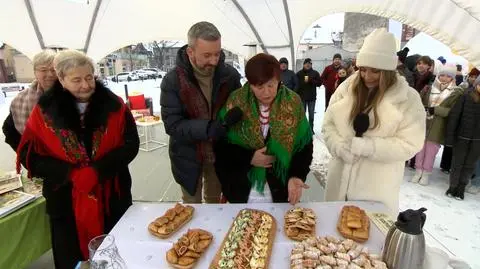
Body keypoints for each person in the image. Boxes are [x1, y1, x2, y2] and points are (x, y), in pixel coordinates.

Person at [16, 50, 139, 268]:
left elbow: (130, 145)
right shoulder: (44, 112)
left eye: (89, 77)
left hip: (111, 193)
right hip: (64, 198)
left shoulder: (115, 105)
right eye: (77, 80)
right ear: (62, 79)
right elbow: (30, 157)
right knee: (70, 257)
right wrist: (70, 173)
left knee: (116, 252)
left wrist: (98, 170)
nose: (85, 85)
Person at [322, 28, 425, 217]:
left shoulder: (408, 99)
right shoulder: (347, 88)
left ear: (388, 71)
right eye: (363, 69)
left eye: (375, 71)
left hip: (376, 189)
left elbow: (411, 143)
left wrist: (368, 147)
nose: (367, 76)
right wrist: (338, 146)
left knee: (369, 240)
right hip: (338, 186)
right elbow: (328, 125)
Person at [215, 53, 313, 204]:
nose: (266, 92)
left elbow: (304, 146)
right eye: (259, 86)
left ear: (279, 81)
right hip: (243, 190)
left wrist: (296, 175)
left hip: (280, 189)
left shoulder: (293, 103)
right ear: (250, 83)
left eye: (271, 85)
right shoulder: (235, 102)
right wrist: (249, 158)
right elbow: (220, 146)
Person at [160, 21, 241, 203]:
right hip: (187, 156)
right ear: (190, 52)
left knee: (214, 203)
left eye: (217, 53)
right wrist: (208, 129)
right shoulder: (172, 81)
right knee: (192, 206)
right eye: (207, 55)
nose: (214, 60)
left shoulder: (230, 76)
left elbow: (240, 107)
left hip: (219, 154)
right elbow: (172, 124)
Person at [411, 64, 464, 185]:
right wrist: (422, 98)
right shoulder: (429, 88)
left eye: (448, 76)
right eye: (442, 75)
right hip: (424, 122)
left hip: (438, 126)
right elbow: (418, 102)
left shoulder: (455, 92)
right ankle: (418, 170)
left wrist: (436, 110)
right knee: (419, 148)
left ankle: (426, 173)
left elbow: (452, 111)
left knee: (431, 151)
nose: (444, 78)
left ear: (452, 78)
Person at [2, 49, 57, 151]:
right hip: (37, 157)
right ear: (35, 72)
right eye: (43, 70)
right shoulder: (20, 99)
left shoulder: (73, 96)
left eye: (54, 70)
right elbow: (10, 131)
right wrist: (27, 157)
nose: (50, 74)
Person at [444, 77, 480, 199]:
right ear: (476, 84)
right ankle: (453, 186)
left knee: (469, 165)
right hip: (461, 137)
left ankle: (461, 188)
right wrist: (449, 137)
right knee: (457, 163)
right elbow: (454, 117)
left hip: (477, 141)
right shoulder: (466, 96)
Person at [407, 55, 435, 169]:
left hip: (422, 108)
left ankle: (414, 160)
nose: (420, 65)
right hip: (410, 106)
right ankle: (406, 157)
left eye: (423, 63)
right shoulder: (412, 76)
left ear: (429, 66)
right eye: (419, 63)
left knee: (418, 134)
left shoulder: (431, 79)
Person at [296, 58, 321, 132]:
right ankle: (303, 130)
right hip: (302, 97)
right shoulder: (299, 73)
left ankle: (310, 129)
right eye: (306, 63)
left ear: (311, 65)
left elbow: (319, 83)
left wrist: (311, 80)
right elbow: (296, 84)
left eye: (309, 63)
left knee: (311, 115)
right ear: (303, 64)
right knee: (302, 116)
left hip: (311, 98)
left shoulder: (315, 73)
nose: (308, 65)